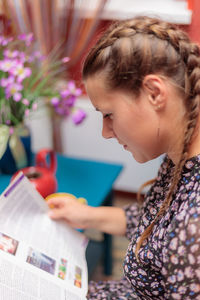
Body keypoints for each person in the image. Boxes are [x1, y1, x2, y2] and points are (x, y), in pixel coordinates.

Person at [47, 16, 200, 299]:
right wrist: (85, 216)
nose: (106, 132)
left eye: (109, 115)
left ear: (155, 93)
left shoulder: (194, 223)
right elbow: (152, 221)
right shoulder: (180, 155)